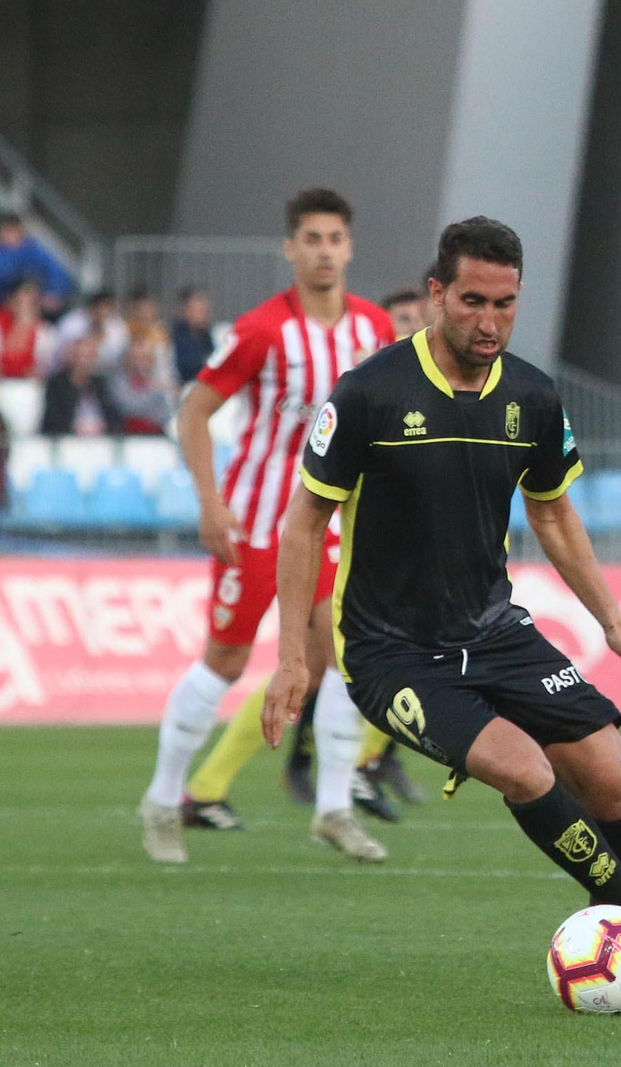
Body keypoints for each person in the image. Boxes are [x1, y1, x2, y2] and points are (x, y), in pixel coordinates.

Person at [261, 216, 621, 1004]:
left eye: (506, 305)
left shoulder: (531, 395)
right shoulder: (371, 393)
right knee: (526, 768)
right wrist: (291, 659)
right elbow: (304, 521)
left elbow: (552, 515)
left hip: (493, 630)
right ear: (437, 293)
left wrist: (616, 623)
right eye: (474, 301)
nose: (489, 322)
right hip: (391, 652)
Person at [139, 189, 396, 864]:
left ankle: (334, 807)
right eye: (310, 238)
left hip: (333, 527)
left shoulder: (373, 330)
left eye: (334, 238)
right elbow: (193, 412)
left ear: (349, 246)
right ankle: (163, 800)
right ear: (291, 248)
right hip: (256, 523)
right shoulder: (261, 330)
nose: (323, 250)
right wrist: (209, 500)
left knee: (345, 659)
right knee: (224, 660)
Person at [0, 214, 74, 308]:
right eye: (5, 230)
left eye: (12, 230)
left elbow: (57, 270)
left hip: (30, 303)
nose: (8, 234)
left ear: (20, 231)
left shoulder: (34, 250)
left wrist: (54, 291)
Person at [40, 333, 121, 436]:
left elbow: (112, 416)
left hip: (101, 441)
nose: (83, 361)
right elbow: (52, 420)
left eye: (88, 356)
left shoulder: (100, 384)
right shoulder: (57, 384)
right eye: (80, 356)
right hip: (67, 440)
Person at [0, 279, 55, 379]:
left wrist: (37, 371)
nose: (22, 307)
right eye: (18, 301)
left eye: (29, 303)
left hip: (28, 384)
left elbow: (46, 365)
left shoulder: (44, 332)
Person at [109, 332, 174, 435]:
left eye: (144, 357)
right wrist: (153, 395)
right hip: (126, 437)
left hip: (155, 438)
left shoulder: (159, 381)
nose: (140, 362)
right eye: (135, 357)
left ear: (151, 360)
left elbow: (165, 414)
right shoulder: (117, 381)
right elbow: (126, 408)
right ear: (128, 359)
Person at [56, 290, 128, 368]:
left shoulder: (117, 326)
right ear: (91, 307)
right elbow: (61, 352)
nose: (102, 313)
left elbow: (119, 356)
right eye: (99, 309)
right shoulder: (72, 321)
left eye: (107, 309)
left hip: (107, 372)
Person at [171, 287, 215, 383]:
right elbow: (187, 367)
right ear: (185, 309)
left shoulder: (205, 336)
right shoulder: (174, 335)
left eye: (205, 309)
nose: (205, 313)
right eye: (199, 310)